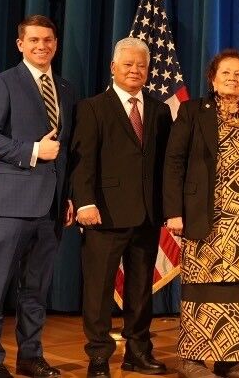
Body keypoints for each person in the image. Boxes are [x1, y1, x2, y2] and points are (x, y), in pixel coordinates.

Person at [0, 15, 78, 378]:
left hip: (51, 207)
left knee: (36, 289)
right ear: (20, 44)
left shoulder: (65, 88)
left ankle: (30, 356)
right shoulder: (3, 83)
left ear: (55, 43)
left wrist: (68, 196)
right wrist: (31, 150)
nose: (41, 46)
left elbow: (66, 151)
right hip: (11, 204)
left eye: (48, 40)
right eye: (33, 40)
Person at [68, 37, 172, 377]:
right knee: (98, 291)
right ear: (114, 68)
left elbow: (166, 166)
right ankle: (99, 356)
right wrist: (84, 203)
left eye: (141, 65)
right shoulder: (93, 107)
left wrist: (168, 208)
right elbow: (82, 161)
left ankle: (138, 352)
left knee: (141, 290)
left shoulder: (158, 110)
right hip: (104, 215)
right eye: (128, 64)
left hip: (146, 214)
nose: (135, 70)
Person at [164, 49, 239, 378]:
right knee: (202, 289)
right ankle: (192, 360)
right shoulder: (193, 111)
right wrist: (174, 212)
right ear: (212, 78)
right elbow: (174, 162)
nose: (233, 79)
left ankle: (232, 358)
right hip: (204, 216)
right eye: (226, 73)